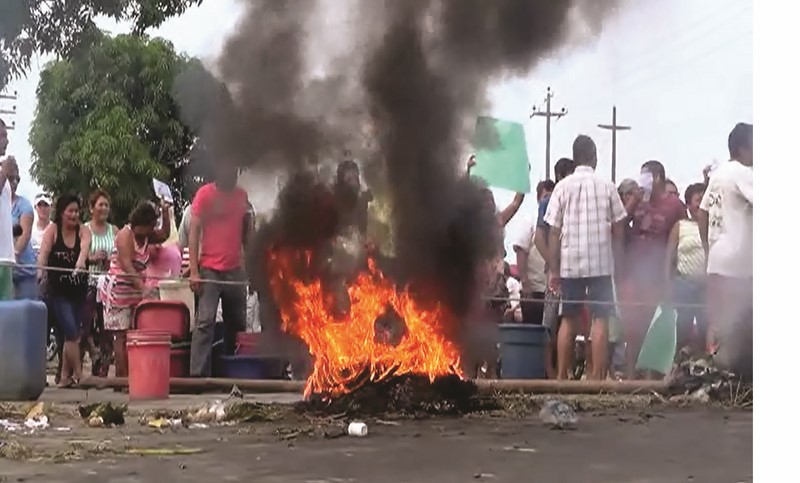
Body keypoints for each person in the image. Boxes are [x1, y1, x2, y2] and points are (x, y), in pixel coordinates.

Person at [543, 135, 627, 381]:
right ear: (594, 157)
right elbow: (619, 226)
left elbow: (554, 231)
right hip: (601, 262)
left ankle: (562, 376)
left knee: (568, 318)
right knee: (600, 318)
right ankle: (597, 378)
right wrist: (618, 257)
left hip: (571, 263)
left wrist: (554, 268)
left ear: (575, 157)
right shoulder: (607, 186)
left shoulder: (562, 187)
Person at [619, 160, 686, 379]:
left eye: (646, 176)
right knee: (632, 327)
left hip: (657, 275)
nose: (642, 181)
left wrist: (671, 275)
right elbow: (619, 225)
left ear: (657, 177)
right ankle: (630, 377)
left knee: (654, 328)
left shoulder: (675, 205)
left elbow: (682, 235)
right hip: (634, 273)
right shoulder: (638, 202)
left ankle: (651, 379)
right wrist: (633, 203)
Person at [698, 123, 752, 377]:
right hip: (739, 265)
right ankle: (735, 378)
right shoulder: (743, 173)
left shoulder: (718, 175)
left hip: (717, 261)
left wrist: (708, 248)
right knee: (742, 322)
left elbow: (702, 212)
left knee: (718, 321)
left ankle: (714, 374)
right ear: (743, 148)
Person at [189, 163, 251, 377]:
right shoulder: (204, 195)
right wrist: (194, 271)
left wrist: (250, 269)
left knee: (238, 323)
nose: (232, 175)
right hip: (210, 270)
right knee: (205, 322)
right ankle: (198, 375)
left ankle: (234, 373)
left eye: (235, 171)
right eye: (228, 170)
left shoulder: (242, 196)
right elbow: (194, 231)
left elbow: (247, 234)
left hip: (235, 271)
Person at [100, 200, 171, 378]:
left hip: (135, 290)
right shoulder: (125, 235)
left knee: (134, 334)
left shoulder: (147, 236)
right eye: (151, 225)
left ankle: (134, 376)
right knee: (120, 335)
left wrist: (165, 212)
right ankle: (121, 377)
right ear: (141, 223)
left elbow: (164, 235)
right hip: (118, 290)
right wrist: (143, 288)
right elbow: (127, 265)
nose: (152, 229)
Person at [37, 195, 91, 388]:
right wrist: (40, 272)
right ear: (61, 213)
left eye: (77, 211)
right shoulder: (53, 230)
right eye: (70, 211)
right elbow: (43, 254)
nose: (74, 215)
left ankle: (65, 377)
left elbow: (84, 250)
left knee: (72, 335)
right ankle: (80, 375)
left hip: (79, 292)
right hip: (58, 293)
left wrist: (80, 263)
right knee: (71, 332)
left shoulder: (83, 231)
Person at [533, 157, 575, 378]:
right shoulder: (548, 203)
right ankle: (550, 370)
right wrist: (553, 263)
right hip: (556, 273)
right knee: (549, 323)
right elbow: (539, 237)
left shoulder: (576, 201)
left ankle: (564, 370)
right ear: (560, 176)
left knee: (569, 320)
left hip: (576, 271)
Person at [666, 183, 708, 355]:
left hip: (707, 285)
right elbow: (669, 256)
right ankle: (679, 362)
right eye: (698, 200)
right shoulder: (680, 226)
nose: (701, 205)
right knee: (682, 327)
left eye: (704, 200)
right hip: (683, 284)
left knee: (706, 327)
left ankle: (703, 363)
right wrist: (668, 284)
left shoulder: (713, 226)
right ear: (689, 205)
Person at [84, 190, 118, 377]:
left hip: (109, 285)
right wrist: (92, 257)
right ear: (92, 208)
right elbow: (78, 254)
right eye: (100, 204)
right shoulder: (85, 229)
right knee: (85, 325)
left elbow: (120, 254)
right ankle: (92, 355)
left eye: (106, 205)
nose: (104, 208)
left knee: (107, 328)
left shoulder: (114, 230)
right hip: (88, 283)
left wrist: (111, 260)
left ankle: (103, 369)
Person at [513, 180, 552, 325]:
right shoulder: (529, 220)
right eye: (545, 197)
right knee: (533, 331)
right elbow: (520, 250)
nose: (548, 201)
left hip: (551, 292)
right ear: (538, 198)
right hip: (533, 291)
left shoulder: (558, 224)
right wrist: (525, 283)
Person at [3, 156, 38, 299]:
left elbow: (25, 234)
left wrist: (14, 255)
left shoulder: (24, 205)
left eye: (17, 179)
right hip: (3, 270)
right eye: (10, 178)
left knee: (24, 310)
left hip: (24, 272)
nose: (15, 183)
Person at [0, 156, 15, 301]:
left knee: (6, 311)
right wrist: (4, 174)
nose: (6, 144)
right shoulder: (2, 174)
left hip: (5, 258)